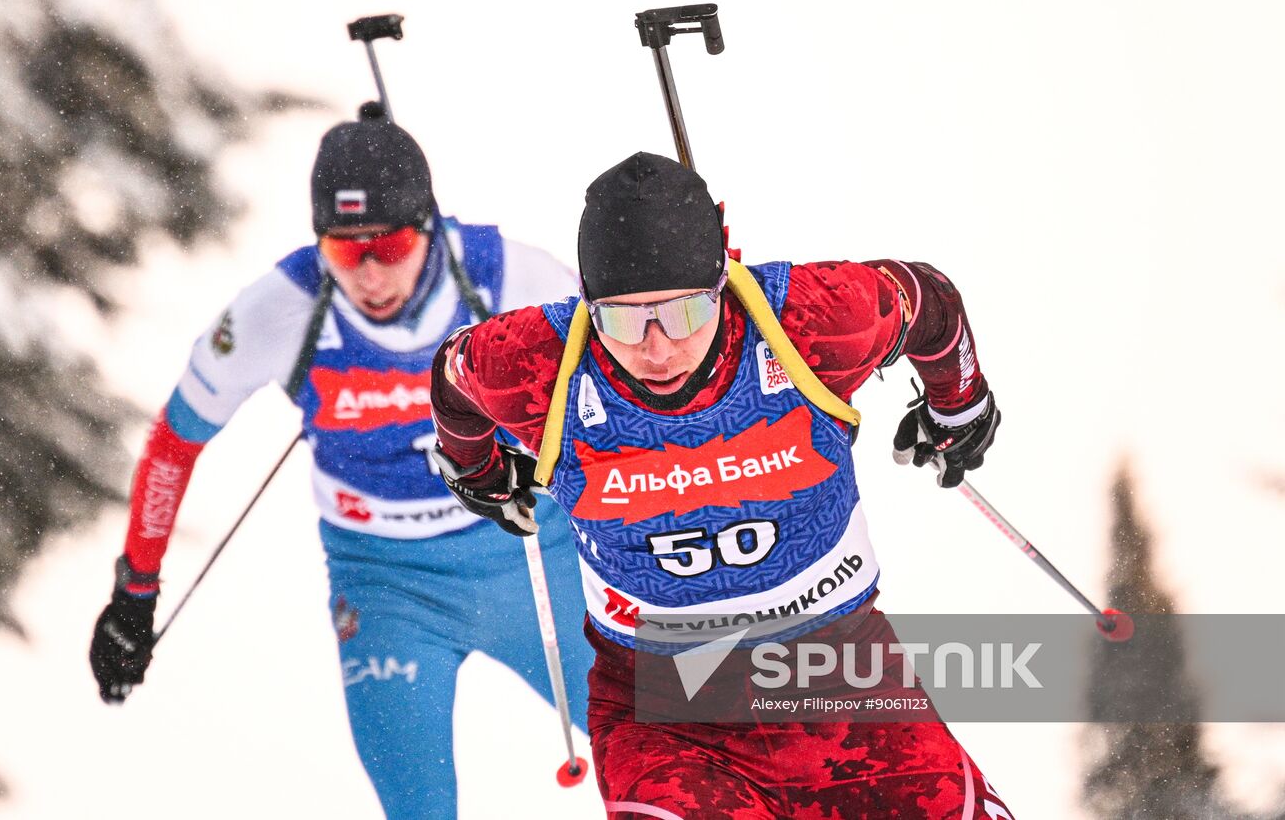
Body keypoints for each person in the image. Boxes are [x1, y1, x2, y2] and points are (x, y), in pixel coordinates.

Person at [428, 152, 1015, 818]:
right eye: (621, 319)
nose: (655, 349)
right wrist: (476, 470)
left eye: (682, 314)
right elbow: (453, 375)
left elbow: (927, 298)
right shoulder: (538, 361)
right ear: (588, 303)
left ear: (720, 283)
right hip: (670, 723)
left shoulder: (810, 320)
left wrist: (959, 403)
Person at [87, 114, 594, 820]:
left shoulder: (508, 276)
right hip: (386, 585)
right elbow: (176, 442)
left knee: (685, 745)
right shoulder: (281, 308)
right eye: (344, 250)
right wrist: (135, 591)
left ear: (428, 227)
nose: (369, 274)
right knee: (417, 808)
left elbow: (632, 376)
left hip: (535, 556)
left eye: (389, 246)